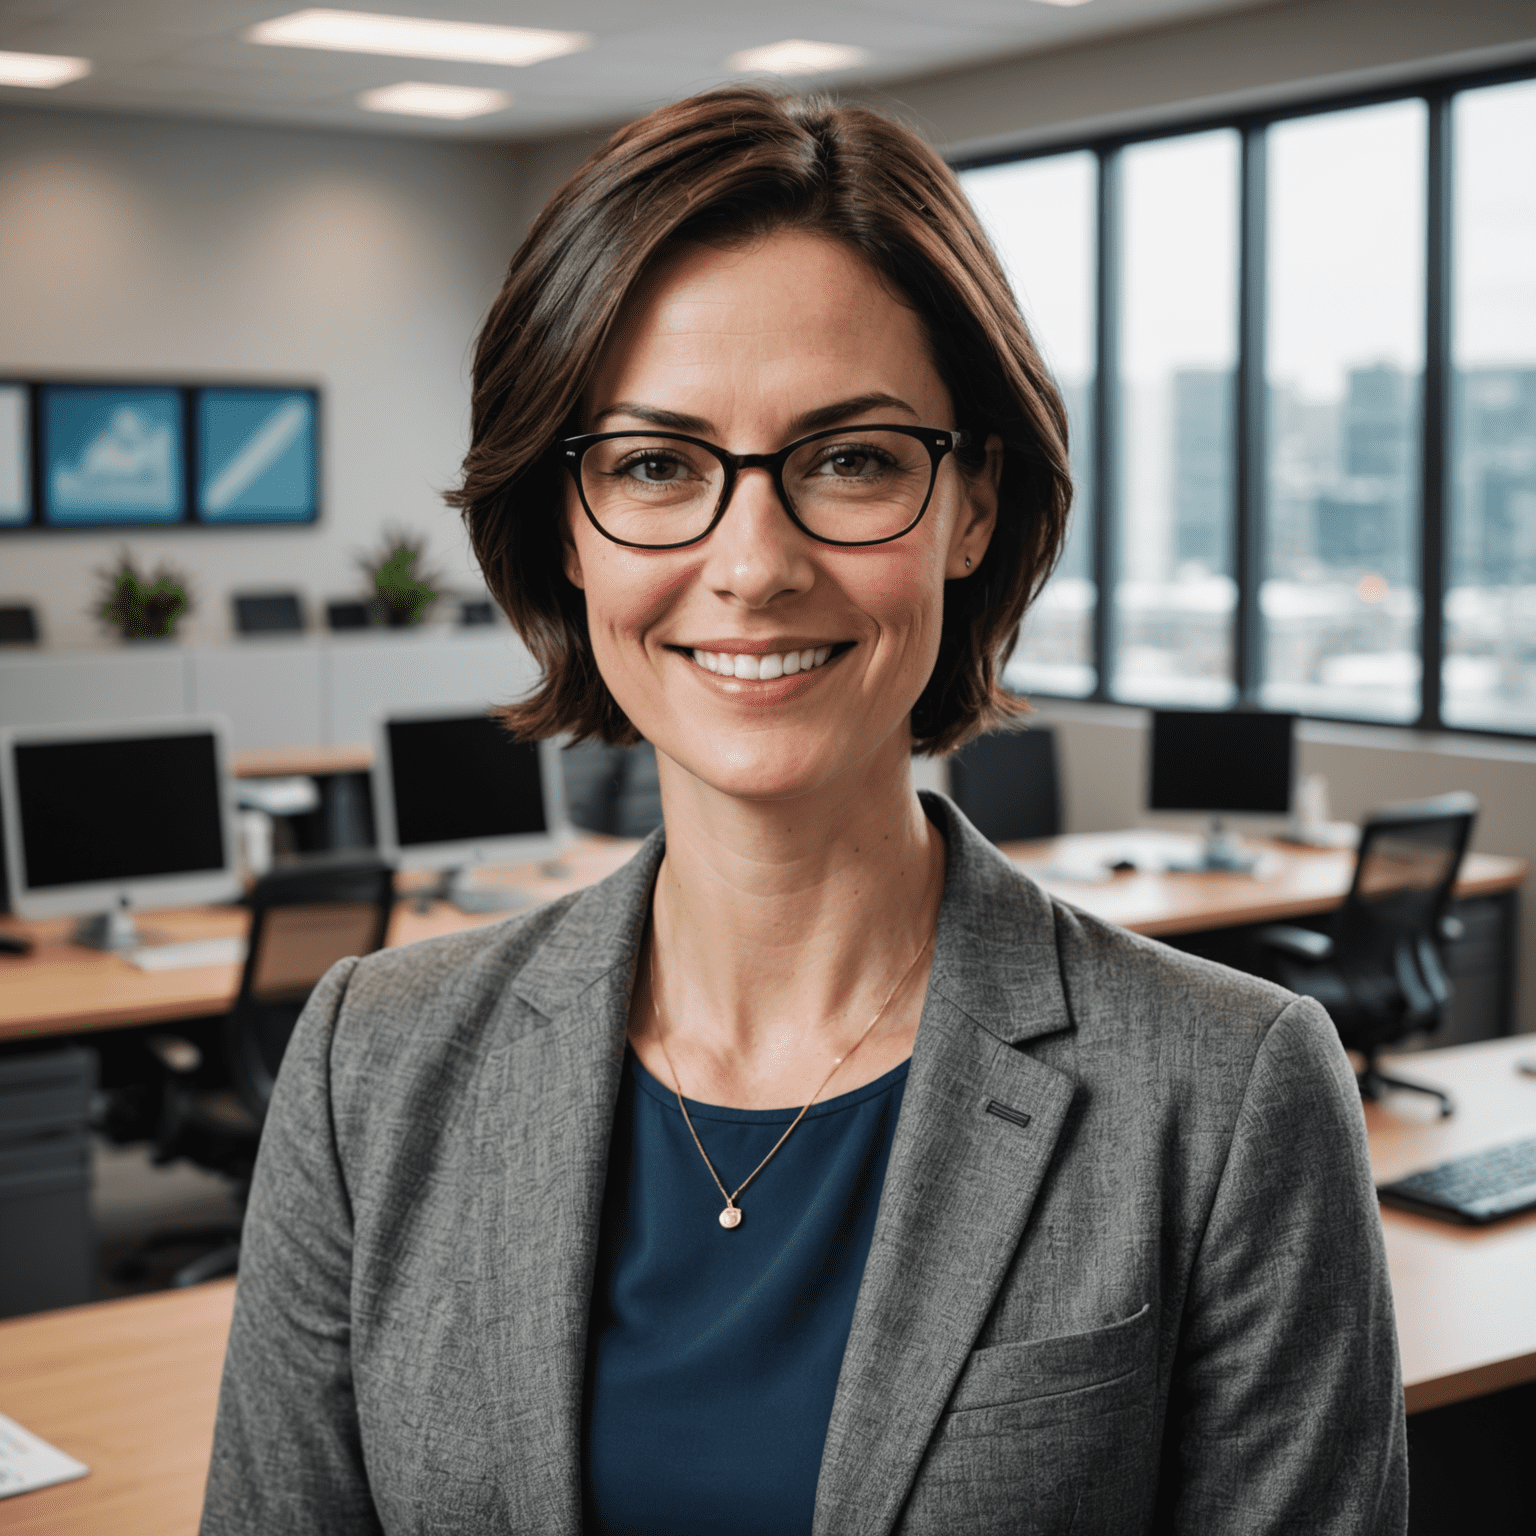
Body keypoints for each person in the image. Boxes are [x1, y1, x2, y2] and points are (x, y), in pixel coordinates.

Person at [201, 89, 1407, 1535]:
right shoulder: (371, 1065)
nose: (753, 563)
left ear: (972, 507)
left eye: (851, 459)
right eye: (656, 466)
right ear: (562, 529)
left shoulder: (1229, 1092)